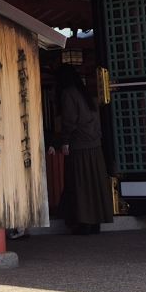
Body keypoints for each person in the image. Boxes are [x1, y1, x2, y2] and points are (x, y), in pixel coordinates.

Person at [53, 64, 113, 234]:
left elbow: (70, 120)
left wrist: (64, 140)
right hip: (94, 144)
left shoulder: (68, 94)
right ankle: (95, 222)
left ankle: (83, 222)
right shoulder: (85, 93)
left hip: (79, 145)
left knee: (80, 184)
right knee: (94, 184)